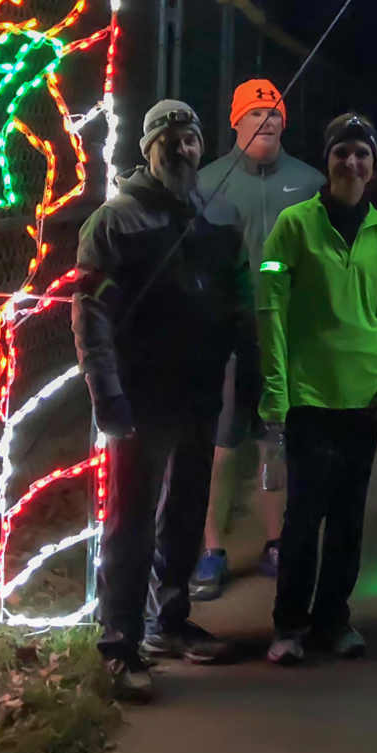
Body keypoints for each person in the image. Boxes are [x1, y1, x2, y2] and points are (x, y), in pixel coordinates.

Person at [73, 99, 253, 702]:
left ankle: (169, 621)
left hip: (200, 390)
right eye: (168, 140)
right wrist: (107, 396)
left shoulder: (220, 214)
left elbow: (240, 301)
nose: (181, 149)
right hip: (140, 396)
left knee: (185, 511)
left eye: (190, 139)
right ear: (147, 148)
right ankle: (119, 643)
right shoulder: (115, 221)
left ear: (203, 146)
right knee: (131, 521)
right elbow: (90, 316)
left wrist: (248, 372)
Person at [259, 113, 377, 666]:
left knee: (348, 516)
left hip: (362, 396)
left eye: (362, 153)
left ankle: (334, 620)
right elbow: (271, 306)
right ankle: (289, 625)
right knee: (304, 516)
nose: (352, 162)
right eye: (342, 152)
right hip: (310, 394)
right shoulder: (294, 225)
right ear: (327, 160)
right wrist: (276, 389)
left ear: (374, 164)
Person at [190, 78, 325, 601]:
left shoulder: (309, 181)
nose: (265, 123)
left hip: (287, 335)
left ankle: (276, 541)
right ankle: (212, 548)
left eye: (273, 115)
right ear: (235, 121)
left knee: (277, 441)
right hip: (228, 336)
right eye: (254, 114)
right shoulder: (208, 181)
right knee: (223, 444)